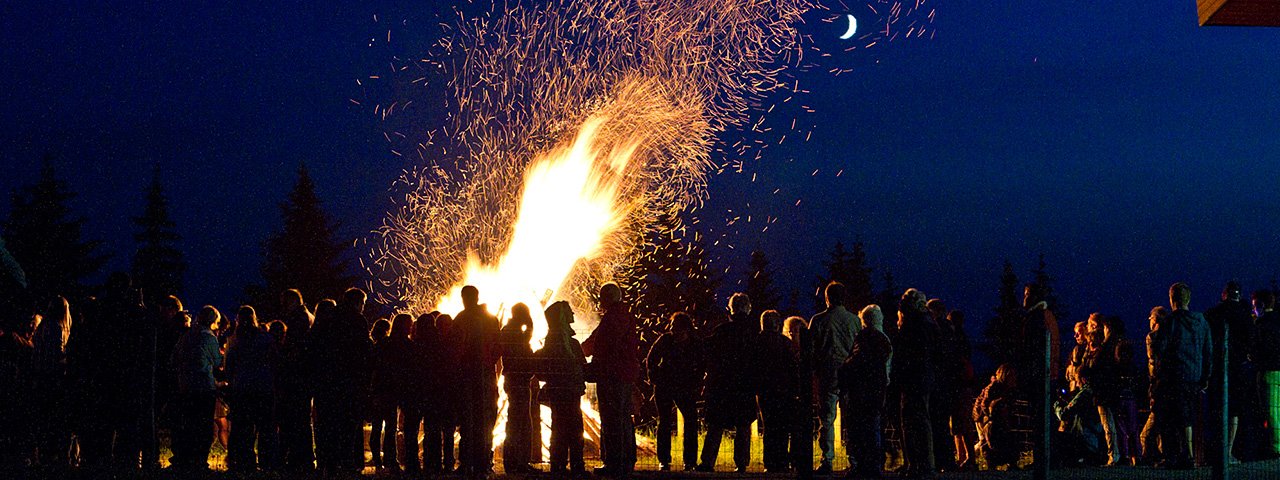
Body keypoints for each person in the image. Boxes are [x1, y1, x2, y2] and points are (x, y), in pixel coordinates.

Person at [1149, 283, 1213, 469]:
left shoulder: (1169, 322)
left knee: (1167, 417)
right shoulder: (1201, 322)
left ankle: (1173, 457)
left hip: (1171, 377)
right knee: (1187, 417)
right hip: (1194, 376)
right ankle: (1189, 455)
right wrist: (1205, 377)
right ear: (1189, 299)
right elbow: (1208, 350)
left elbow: (1158, 349)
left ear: (1172, 299)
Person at [310, 289, 372, 474]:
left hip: (327, 381)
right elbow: (363, 352)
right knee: (349, 425)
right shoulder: (357, 320)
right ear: (358, 302)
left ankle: (329, 463)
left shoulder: (327, 319)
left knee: (329, 424)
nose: (362, 308)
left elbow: (316, 347)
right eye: (362, 304)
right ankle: (348, 463)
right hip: (349, 381)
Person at [582, 282, 640, 476]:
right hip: (623, 375)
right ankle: (627, 461)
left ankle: (614, 464)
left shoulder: (612, 318)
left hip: (611, 376)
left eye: (602, 297)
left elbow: (599, 344)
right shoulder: (624, 316)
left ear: (606, 298)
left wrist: (578, 353)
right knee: (623, 419)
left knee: (612, 419)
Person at [698, 293, 759, 473]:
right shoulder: (753, 332)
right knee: (743, 425)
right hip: (744, 386)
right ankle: (741, 464)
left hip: (721, 385)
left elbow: (706, 352)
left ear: (730, 310)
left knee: (716, 425)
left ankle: (707, 462)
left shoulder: (721, 331)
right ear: (748, 308)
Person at [808, 281, 859, 473]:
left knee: (827, 419)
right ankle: (854, 460)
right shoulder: (855, 320)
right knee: (851, 419)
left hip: (828, 374)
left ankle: (827, 459)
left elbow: (812, 350)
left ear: (827, 297)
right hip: (849, 374)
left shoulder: (819, 320)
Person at [645, 312, 704, 472]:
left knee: (690, 422)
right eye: (672, 327)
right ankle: (664, 460)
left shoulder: (695, 344)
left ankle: (689, 461)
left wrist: (695, 382)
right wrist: (655, 377)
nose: (672, 330)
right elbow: (651, 360)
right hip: (665, 386)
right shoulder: (666, 340)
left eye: (675, 327)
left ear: (685, 329)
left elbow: (701, 365)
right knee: (664, 422)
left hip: (685, 387)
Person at [224, 305, 280, 472]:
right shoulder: (265, 338)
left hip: (242, 388)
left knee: (243, 428)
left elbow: (229, 366)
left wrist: (232, 381)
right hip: (264, 387)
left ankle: (244, 461)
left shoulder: (235, 340)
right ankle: (268, 461)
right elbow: (274, 360)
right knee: (266, 428)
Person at [168, 306, 224, 471]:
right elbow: (219, 362)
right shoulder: (209, 337)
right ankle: (199, 460)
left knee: (188, 424)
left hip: (185, 385)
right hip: (204, 387)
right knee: (204, 425)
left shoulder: (187, 336)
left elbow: (173, 360)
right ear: (213, 321)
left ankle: (184, 459)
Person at [534, 301, 587, 474]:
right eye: (569, 312)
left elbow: (542, 371)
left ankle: (558, 464)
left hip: (558, 392)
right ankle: (576, 465)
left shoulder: (550, 345)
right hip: (571, 392)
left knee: (559, 428)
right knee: (575, 429)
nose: (573, 313)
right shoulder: (570, 345)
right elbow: (582, 367)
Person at [840, 304, 892, 479]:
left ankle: (863, 465)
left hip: (862, 390)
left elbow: (854, 361)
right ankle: (875, 464)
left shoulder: (863, 337)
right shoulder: (884, 339)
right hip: (878, 389)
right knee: (874, 427)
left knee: (860, 429)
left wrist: (844, 371)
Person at [1205, 281, 1255, 464]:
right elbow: (1251, 341)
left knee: (1217, 409)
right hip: (1238, 369)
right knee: (1234, 411)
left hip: (1216, 368)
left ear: (1224, 294)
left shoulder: (1213, 314)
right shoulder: (1244, 316)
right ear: (1239, 295)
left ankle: (1216, 452)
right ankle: (1228, 451)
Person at [453, 285, 500, 475]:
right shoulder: (489, 318)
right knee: (483, 420)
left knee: (470, 420)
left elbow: (454, 347)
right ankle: (481, 462)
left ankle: (469, 463)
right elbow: (498, 346)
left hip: (470, 376)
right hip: (482, 375)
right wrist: (489, 363)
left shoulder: (461, 319)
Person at [894, 288, 935, 478]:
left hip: (912, 378)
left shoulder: (912, 325)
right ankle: (923, 463)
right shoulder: (928, 323)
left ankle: (916, 464)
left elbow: (905, 353)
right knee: (921, 420)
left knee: (911, 421)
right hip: (923, 377)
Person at [30, 296, 73, 466]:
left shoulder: (43, 326)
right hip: (53, 378)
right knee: (54, 417)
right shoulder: (55, 328)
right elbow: (56, 354)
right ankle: (54, 457)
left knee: (44, 417)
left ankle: (43, 455)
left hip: (41, 377)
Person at [370, 313, 415, 473]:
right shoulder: (408, 345)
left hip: (383, 389)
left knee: (381, 426)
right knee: (390, 426)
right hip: (394, 390)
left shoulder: (384, 343)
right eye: (409, 324)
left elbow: (373, 366)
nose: (411, 327)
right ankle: (390, 460)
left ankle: (380, 460)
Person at [276, 289, 315, 471]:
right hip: (305, 376)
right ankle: (303, 457)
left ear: (292, 301)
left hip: (297, 377)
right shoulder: (308, 316)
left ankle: (298, 458)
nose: (282, 306)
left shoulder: (297, 319)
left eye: (284, 302)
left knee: (294, 419)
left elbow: (295, 348)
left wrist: (283, 358)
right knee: (302, 419)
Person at [758, 309, 800, 473]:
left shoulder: (757, 342)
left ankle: (770, 462)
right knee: (782, 427)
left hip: (764, 390)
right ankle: (782, 461)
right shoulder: (785, 343)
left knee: (769, 426)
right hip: (784, 390)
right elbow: (793, 367)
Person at [1078, 313, 1122, 466]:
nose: (1087, 327)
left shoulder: (1103, 345)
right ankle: (1108, 454)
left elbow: (1096, 364)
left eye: (1089, 324)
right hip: (1099, 388)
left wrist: (1085, 370)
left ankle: (1114, 455)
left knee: (1107, 423)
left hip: (1103, 389)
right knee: (1105, 424)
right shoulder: (1098, 345)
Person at [499, 303, 536, 473]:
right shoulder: (513, 332)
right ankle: (517, 462)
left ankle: (515, 462)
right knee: (519, 422)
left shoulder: (509, 330)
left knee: (518, 421)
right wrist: (530, 325)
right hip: (518, 380)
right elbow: (524, 346)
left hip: (516, 380)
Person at [926, 299, 956, 471]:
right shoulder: (950, 329)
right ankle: (947, 460)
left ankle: (941, 460)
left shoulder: (938, 329)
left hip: (938, 382)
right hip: (947, 382)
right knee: (943, 423)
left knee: (938, 423)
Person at [784, 316, 816, 479]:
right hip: (790, 392)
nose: (792, 333)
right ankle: (790, 459)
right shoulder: (786, 349)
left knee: (800, 429)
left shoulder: (806, 350)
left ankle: (798, 459)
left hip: (803, 393)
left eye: (795, 330)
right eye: (790, 331)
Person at [945, 310, 976, 470]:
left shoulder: (956, 340)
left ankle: (969, 458)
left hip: (959, 385)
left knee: (961, 422)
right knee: (958, 423)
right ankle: (964, 457)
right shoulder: (962, 339)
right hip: (962, 384)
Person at [973, 364, 1019, 471]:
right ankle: (990, 463)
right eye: (1012, 375)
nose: (1014, 378)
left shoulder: (1008, 388)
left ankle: (1009, 461)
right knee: (988, 440)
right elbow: (984, 405)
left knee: (1003, 437)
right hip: (982, 416)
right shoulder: (993, 387)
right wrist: (991, 415)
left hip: (997, 416)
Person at [1252, 289, 1280, 457]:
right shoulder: (1278, 321)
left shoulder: (1260, 325)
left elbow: (1256, 349)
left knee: (1270, 410)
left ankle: (1275, 447)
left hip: (1267, 370)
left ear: (1261, 305)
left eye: (1255, 306)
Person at [1141, 306, 1169, 465]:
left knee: (1150, 429)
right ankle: (1163, 455)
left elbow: (1153, 360)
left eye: (1151, 318)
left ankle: (1147, 458)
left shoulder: (1152, 337)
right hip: (1169, 383)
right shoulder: (1172, 335)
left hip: (1158, 384)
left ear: (1155, 319)